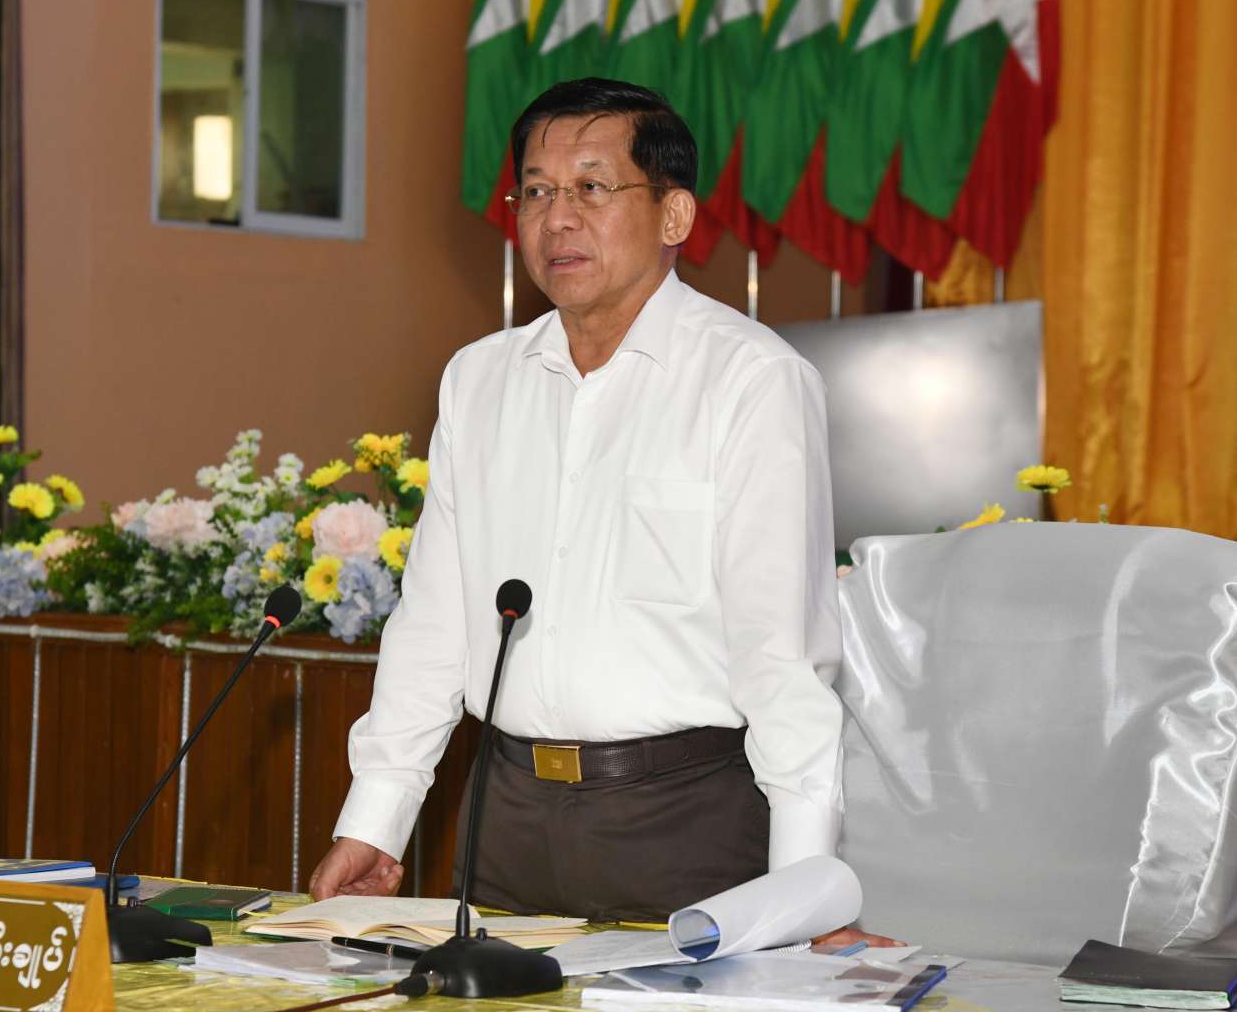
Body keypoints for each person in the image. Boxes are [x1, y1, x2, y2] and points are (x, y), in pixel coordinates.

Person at [310, 78, 885, 942]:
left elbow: (783, 656)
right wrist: (376, 819)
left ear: (674, 215)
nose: (558, 219)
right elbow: (433, 624)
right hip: (504, 816)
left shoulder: (750, 380)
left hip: (684, 820)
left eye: (592, 187)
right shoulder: (479, 379)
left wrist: (803, 894)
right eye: (537, 191)